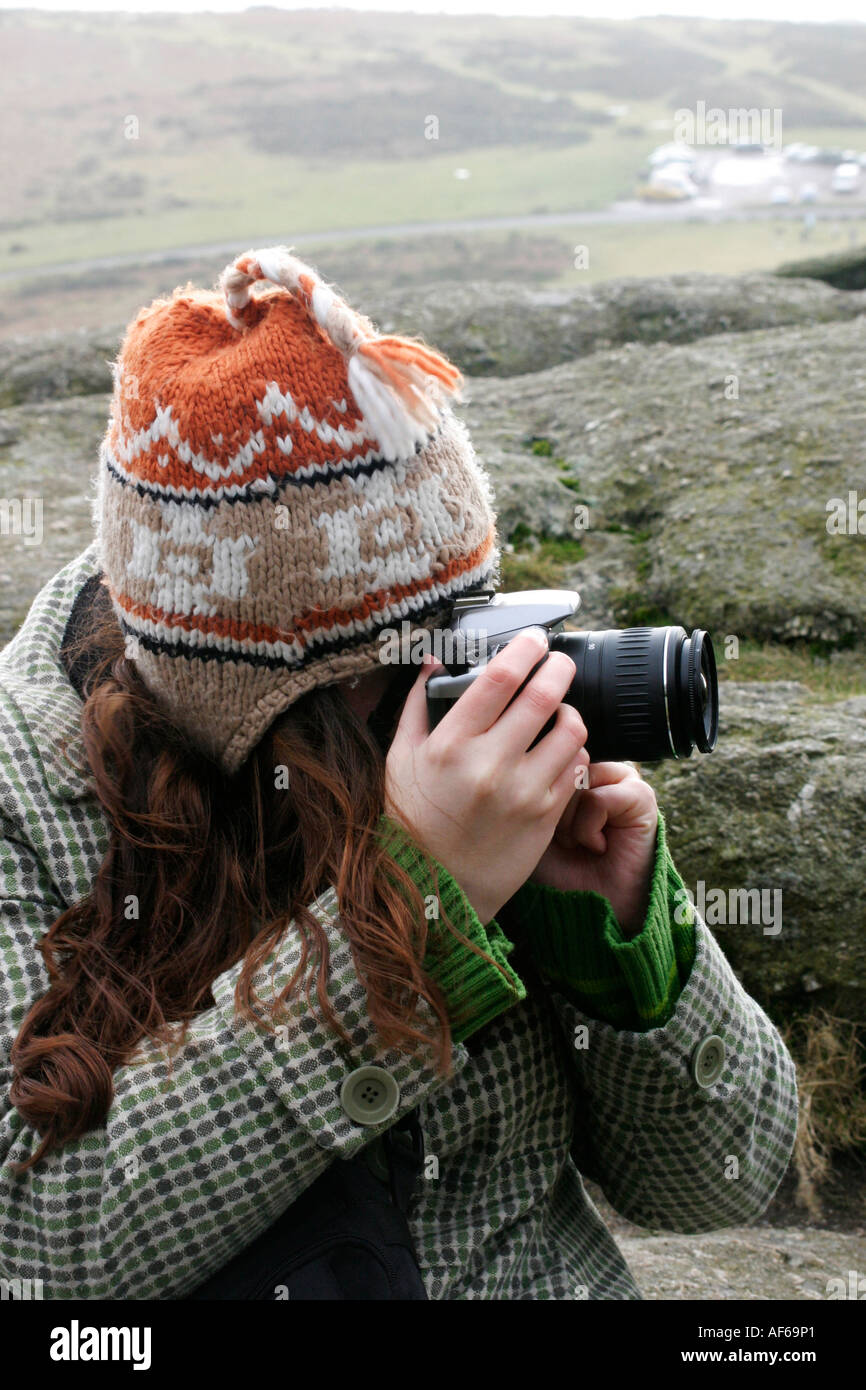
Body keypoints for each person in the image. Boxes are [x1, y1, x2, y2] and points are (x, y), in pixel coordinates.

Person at [0, 246, 798, 1300]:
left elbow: (712, 1188)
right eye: (401, 668)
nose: (459, 695)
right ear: (253, 699)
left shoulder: (456, 753)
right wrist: (410, 908)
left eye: (468, 632)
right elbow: (41, 1253)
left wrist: (620, 947)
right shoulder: (26, 790)